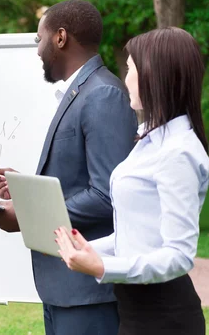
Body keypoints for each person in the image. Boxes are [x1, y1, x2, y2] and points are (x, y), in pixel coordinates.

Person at [0, 0, 138, 335]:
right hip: (65, 290)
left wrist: (27, 215)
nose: (38, 49)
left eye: (40, 39)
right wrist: (24, 189)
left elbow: (106, 194)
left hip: (88, 293)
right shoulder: (81, 92)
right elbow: (74, 178)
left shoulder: (102, 95)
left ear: (60, 37)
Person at [56, 27, 208, 335]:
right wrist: (89, 248)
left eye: (130, 69)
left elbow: (179, 255)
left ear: (154, 76)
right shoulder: (150, 140)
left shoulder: (177, 152)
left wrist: (103, 267)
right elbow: (139, 233)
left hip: (165, 318)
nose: (126, 79)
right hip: (134, 311)